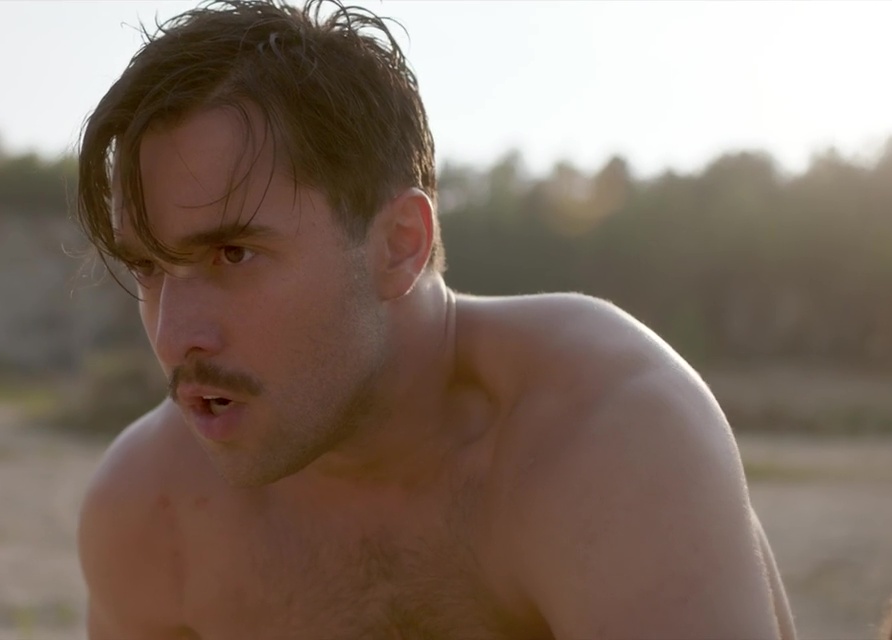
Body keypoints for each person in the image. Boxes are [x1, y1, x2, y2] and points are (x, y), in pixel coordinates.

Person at [73, 1, 796, 637]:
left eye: (234, 255)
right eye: (148, 269)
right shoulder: (150, 509)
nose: (174, 337)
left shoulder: (602, 432)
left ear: (399, 246)